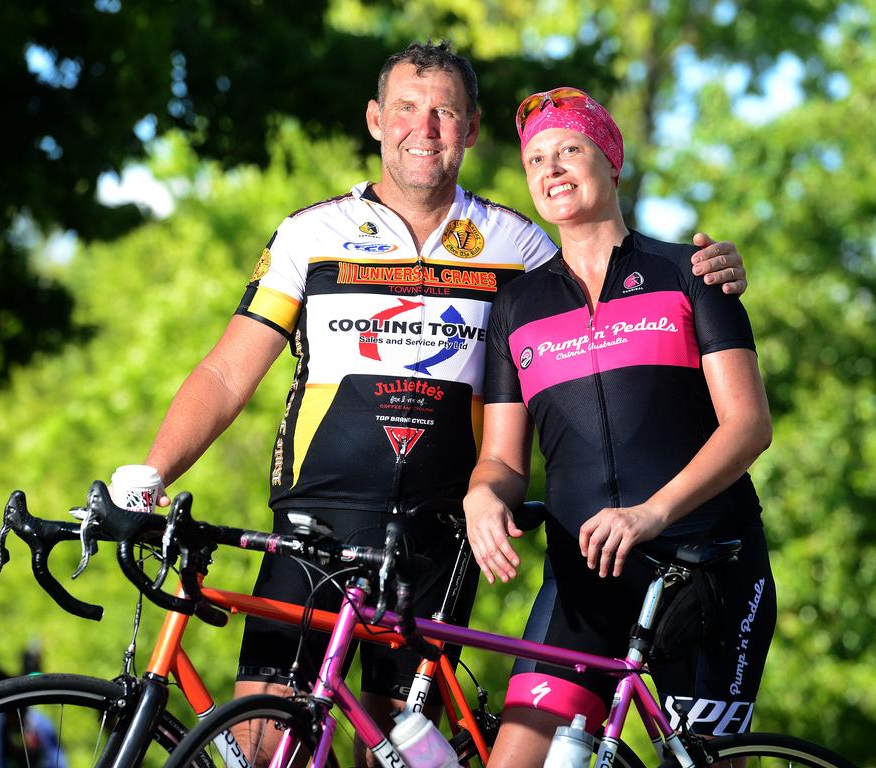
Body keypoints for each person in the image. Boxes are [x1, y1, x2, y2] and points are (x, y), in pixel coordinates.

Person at [134, 44, 748, 763]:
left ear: (471, 129)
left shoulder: (518, 245)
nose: (423, 128)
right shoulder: (310, 234)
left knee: (394, 744)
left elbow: (610, 286)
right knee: (267, 740)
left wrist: (711, 268)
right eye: (405, 108)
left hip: (436, 539)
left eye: (444, 112)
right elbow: (224, 375)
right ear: (374, 119)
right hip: (314, 521)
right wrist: (151, 472)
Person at [463, 86, 776, 767]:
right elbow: (503, 461)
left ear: (611, 160)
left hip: (706, 568)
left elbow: (748, 427)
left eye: (570, 149)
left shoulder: (689, 274)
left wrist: (650, 514)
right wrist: (482, 495)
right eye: (536, 159)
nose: (551, 169)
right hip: (582, 580)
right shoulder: (516, 308)